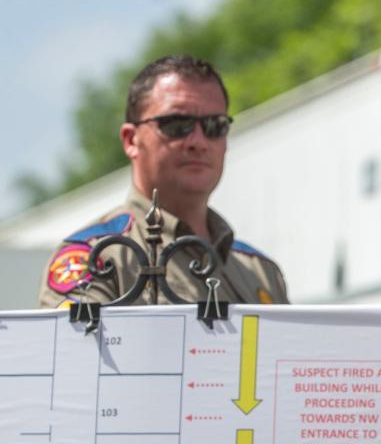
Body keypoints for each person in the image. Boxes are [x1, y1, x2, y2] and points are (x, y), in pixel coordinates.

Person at [38, 55, 288, 308]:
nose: (198, 142)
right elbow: (75, 347)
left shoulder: (260, 272)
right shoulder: (96, 257)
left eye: (215, 125)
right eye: (177, 125)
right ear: (131, 140)